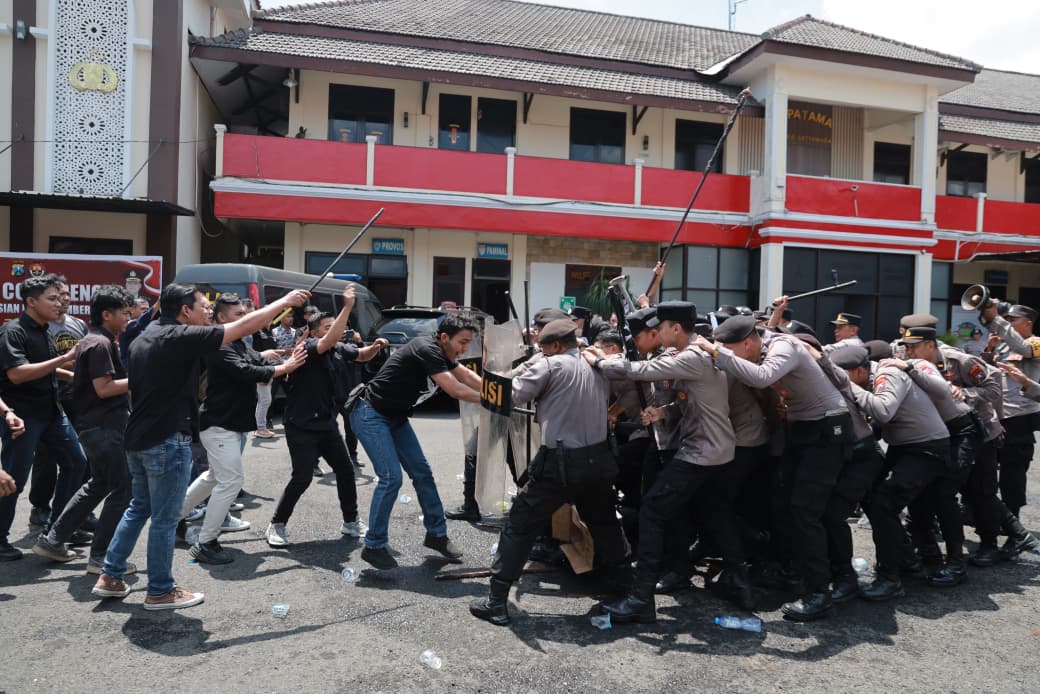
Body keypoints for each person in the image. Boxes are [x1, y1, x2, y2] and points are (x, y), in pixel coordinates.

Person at [91, 283, 309, 609]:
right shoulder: (180, 335)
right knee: (165, 519)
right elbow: (243, 326)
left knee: (139, 509)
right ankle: (161, 590)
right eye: (202, 307)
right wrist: (286, 301)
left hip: (139, 437)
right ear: (184, 311)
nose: (208, 312)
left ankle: (110, 574)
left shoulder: (147, 336)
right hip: (166, 438)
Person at [697, 298, 856, 621]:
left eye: (732, 351)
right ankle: (800, 571)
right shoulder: (762, 342)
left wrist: (717, 353)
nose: (730, 358)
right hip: (804, 430)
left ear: (746, 343)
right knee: (784, 504)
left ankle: (820, 592)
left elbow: (761, 376)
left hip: (827, 429)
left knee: (806, 510)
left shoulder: (784, 346)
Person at [470, 319, 631, 626]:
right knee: (604, 524)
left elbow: (509, 396)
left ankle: (496, 601)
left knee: (520, 524)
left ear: (556, 346)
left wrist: (483, 380)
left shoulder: (548, 365)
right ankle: (624, 591)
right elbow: (632, 393)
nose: (541, 352)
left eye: (543, 348)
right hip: (598, 460)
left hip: (560, 462)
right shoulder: (598, 363)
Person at [590, 302, 741, 623]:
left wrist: (597, 362)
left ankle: (640, 599)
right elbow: (689, 398)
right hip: (715, 448)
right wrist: (664, 411)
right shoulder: (701, 353)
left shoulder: (692, 356)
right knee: (711, 512)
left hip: (701, 450)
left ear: (676, 328)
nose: (656, 333)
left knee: (654, 511)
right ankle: (740, 582)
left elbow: (639, 371)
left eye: (661, 327)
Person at [180, 294, 308, 563]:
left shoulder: (237, 342)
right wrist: (284, 366)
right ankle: (206, 542)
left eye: (244, 314)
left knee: (214, 477)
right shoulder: (219, 345)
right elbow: (247, 372)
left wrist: (287, 360)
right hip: (217, 425)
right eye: (239, 315)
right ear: (222, 318)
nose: (244, 319)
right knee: (231, 480)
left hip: (227, 424)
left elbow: (259, 363)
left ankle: (173, 518)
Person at [351, 314, 481, 570]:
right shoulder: (426, 348)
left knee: (423, 473)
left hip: (395, 417)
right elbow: (455, 389)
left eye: (469, 344)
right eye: (462, 342)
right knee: (391, 478)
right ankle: (374, 545)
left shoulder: (445, 354)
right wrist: (493, 400)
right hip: (370, 414)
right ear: (444, 337)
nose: (465, 349)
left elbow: (467, 376)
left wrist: (503, 391)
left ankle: (436, 535)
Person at [827, 339, 950, 601]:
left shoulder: (887, 374)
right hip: (905, 447)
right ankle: (906, 560)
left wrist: (847, 387)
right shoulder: (869, 377)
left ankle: (890, 578)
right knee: (873, 498)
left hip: (925, 449)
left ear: (859, 371)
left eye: (843, 377)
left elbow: (883, 410)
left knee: (884, 504)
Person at [266, 288, 387, 549]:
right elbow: (327, 341)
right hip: (301, 425)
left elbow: (362, 355)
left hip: (326, 424)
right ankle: (277, 523)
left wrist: (375, 347)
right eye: (328, 327)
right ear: (314, 331)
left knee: (345, 471)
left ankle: (351, 521)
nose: (336, 330)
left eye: (336, 326)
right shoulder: (309, 347)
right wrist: (347, 307)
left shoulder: (340, 348)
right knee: (302, 477)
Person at [32, 286, 139, 575]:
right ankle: (101, 557)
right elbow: (103, 389)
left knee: (99, 484)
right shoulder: (100, 343)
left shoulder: (96, 340)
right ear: (107, 314)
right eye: (125, 314)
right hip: (104, 428)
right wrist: (141, 380)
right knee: (123, 490)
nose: (128, 320)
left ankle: (53, 540)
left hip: (96, 427)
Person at [0, 274, 86, 561]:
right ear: (31, 301)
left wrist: (72, 375)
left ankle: (56, 531)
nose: (59, 303)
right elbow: (18, 373)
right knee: (13, 479)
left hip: (52, 411)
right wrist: (64, 359)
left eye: (59, 297)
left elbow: (43, 367)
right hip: (22, 416)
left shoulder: (44, 329)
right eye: (51, 298)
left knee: (77, 462)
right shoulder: (13, 332)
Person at [27, 279, 90, 529]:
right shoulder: (41, 329)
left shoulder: (78, 324)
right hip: (52, 398)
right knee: (46, 458)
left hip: (77, 398)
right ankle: (40, 507)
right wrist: (65, 365)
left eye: (65, 294)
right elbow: (39, 365)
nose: (63, 299)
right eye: (56, 295)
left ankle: (76, 509)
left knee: (81, 456)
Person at [979, 302, 1040, 530]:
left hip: (1020, 417)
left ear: (1028, 323)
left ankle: (1013, 523)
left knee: (1012, 475)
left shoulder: (1036, 343)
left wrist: (997, 319)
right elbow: (986, 372)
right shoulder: (1005, 347)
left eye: (1013, 320)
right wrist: (989, 348)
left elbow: (1023, 349)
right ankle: (993, 517)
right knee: (986, 472)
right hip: (998, 415)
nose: (1009, 324)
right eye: (1008, 320)